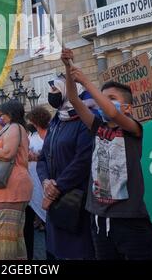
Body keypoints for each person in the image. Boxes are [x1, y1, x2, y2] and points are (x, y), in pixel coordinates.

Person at [62, 48, 152, 260]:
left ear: (128, 108)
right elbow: (74, 99)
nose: (103, 103)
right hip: (98, 219)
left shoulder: (133, 129)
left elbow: (113, 112)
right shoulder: (97, 126)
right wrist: (69, 68)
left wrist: (87, 82)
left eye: (111, 98)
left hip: (129, 220)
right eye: (101, 99)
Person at [37, 76, 95, 260]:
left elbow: (83, 160)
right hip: (56, 200)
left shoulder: (84, 119)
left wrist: (57, 187)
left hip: (76, 200)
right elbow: (43, 159)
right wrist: (46, 182)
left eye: (55, 90)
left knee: (78, 252)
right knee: (57, 252)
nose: (51, 95)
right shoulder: (57, 121)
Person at [0, 100, 33, 260]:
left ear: (10, 114)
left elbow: (8, 153)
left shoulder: (15, 128)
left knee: (4, 242)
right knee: (14, 240)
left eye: (1, 114)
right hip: (11, 187)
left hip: (10, 187)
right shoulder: (14, 128)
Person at [24, 106, 51, 260]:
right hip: (31, 182)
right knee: (27, 223)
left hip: (46, 181)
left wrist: (38, 156)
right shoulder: (31, 137)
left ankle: (51, 255)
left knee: (50, 223)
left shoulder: (51, 134)